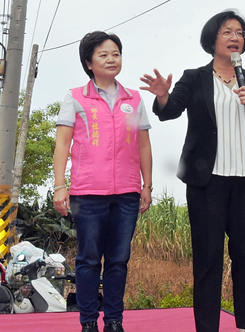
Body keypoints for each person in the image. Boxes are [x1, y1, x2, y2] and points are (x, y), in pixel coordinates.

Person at [140, 10, 245, 332]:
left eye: (240, 33)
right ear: (212, 38)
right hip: (206, 181)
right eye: (227, 32)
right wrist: (162, 95)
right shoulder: (194, 77)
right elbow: (169, 112)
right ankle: (207, 328)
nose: (235, 37)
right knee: (208, 258)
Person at [53, 31, 153, 332]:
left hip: (126, 193)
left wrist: (146, 185)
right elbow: (62, 144)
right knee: (88, 260)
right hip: (87, 193)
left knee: (119, 260)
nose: (111, 59)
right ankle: (87, 322)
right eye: (103, 55)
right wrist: (60, 185)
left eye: (116, 54)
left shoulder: (133, 98)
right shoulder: (75, 97)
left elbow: (144, 145)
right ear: (89, 62)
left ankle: (113, 321)